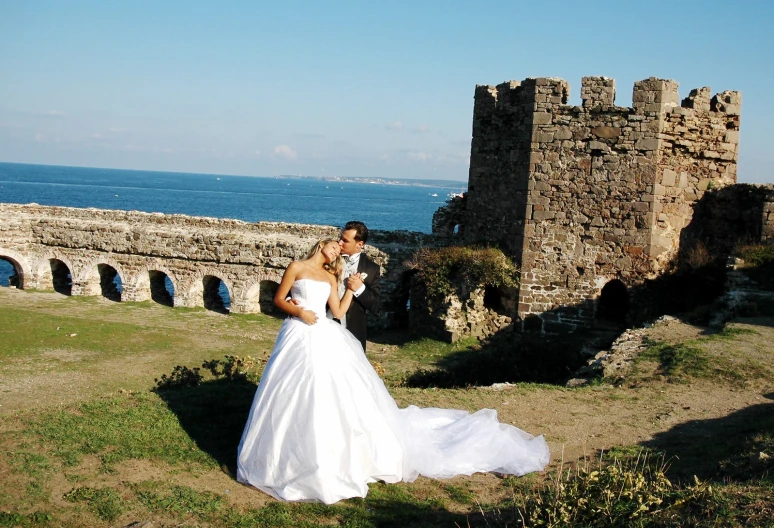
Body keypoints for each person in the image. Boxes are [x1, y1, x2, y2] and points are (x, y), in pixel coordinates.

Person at [236, 238, 550, 505]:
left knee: (327, 390)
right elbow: (279, 299)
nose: (335, 252)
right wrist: (297, 311)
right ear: (322, 245)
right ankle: (284, 454)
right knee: (290, 388)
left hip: (322, 332)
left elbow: (339, 312)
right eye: (333, 246)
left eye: (338, 251)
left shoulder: (331, 278)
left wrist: (351, 288)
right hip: (297, 331)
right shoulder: (296, 267)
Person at [335, 220, 380, 352]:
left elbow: (376, 306)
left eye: (345, 240)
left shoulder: (372, 269)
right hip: (323, 324)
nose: (339, 243)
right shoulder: (329, 258)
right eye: (340, 238)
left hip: (353, 331)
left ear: (359, 244)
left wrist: (360, 289)